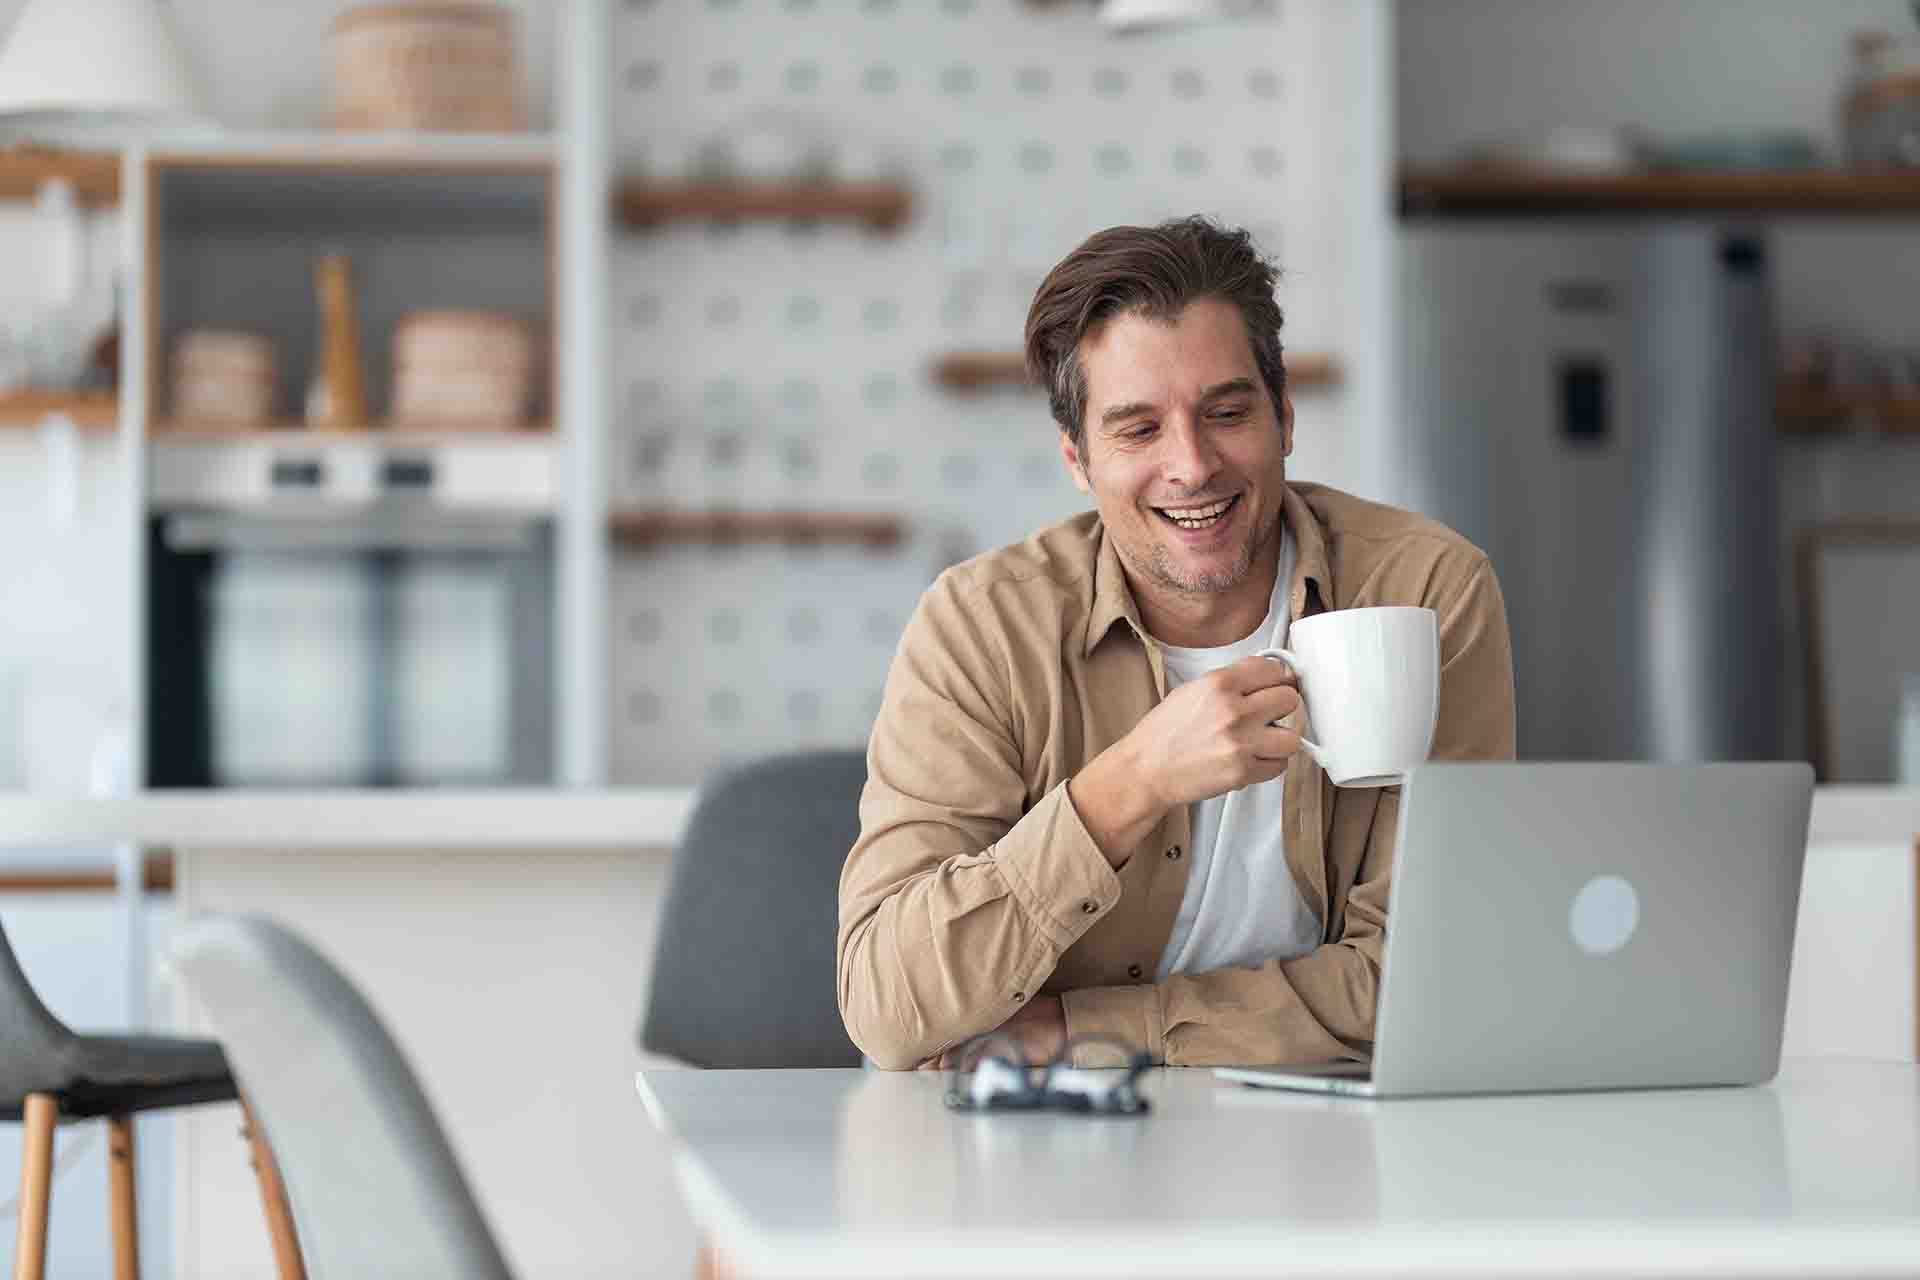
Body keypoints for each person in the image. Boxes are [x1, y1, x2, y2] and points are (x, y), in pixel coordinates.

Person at [837, 216, 1515, 1071]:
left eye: (1227, 413)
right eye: (1138, 430)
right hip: (1048, 1142)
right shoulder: (981, 627)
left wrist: (1084, 1030)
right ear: (1078, 460)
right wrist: (1132, 783)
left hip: (1329, 1143)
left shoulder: (1425, 592)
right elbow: (888, 1003)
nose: (1192, 466)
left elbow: (1428, 978)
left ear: (1285, 419)